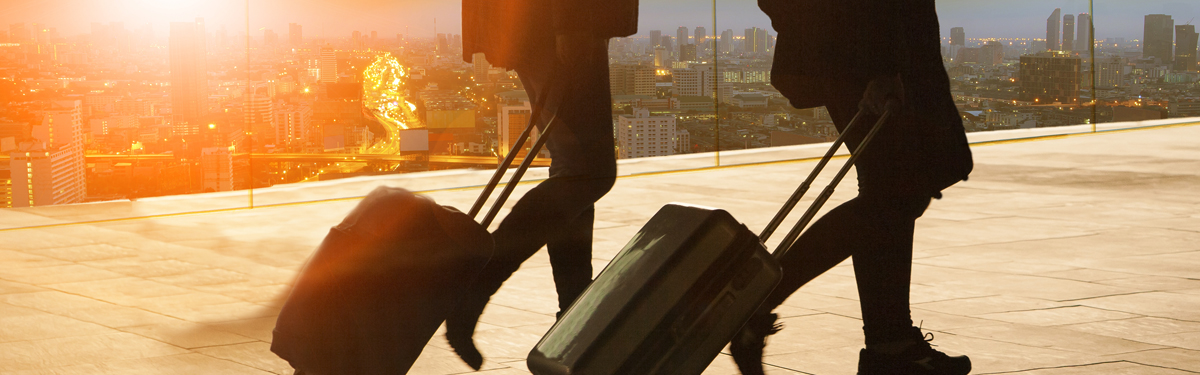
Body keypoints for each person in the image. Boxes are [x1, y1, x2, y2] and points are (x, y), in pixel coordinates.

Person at [730, 1, 975, 375]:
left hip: (851, 48)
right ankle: (759, 300)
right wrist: (883, 66)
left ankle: (889, 343)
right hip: (864, 51)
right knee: (894, 194)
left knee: (891, 192)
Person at [448, 0, 638, 370]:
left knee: (575, 170)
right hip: (559, 19)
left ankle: (575, 319)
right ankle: (475, 288)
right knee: (590, 172)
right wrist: (570, 22)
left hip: (544, 21)